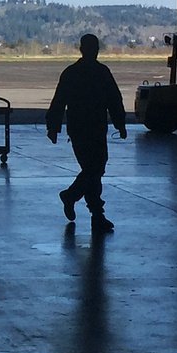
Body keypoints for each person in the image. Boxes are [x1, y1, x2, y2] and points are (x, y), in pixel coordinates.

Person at [46, 33, 127, 233]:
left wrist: (53, 126)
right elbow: (114, 101)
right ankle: (85, 206)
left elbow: (58, 102)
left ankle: (90, 210)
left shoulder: (71, 73)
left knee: (93, 171)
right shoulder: (102, 72)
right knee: (94, 170)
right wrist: (120, 124)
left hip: (82, 129)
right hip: (92, 129)